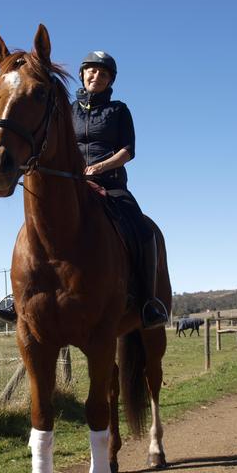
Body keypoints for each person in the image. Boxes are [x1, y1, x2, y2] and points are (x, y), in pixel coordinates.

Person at [72, 51, 168, 329]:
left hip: (110, 183)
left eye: (103, 74)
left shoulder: (119, 110)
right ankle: (23, 295)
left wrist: (100, 167)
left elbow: (128, 151)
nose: (96, 76)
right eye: (92, 71)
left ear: (110, 80)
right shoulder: (68, 110)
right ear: (83, 74)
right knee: (38, 221)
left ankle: (149, 301)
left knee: (143, 229)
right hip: (72, 182)